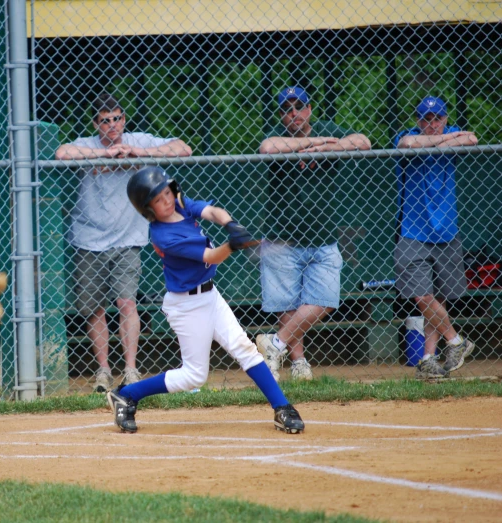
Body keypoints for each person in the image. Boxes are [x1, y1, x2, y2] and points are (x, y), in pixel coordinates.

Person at [106, 166, 304, 435]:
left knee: (244, 348)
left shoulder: (181, 204)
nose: (166, 201)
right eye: (158, 200)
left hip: (210, 296)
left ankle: (282, 407)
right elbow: (211, 257)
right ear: (148, 209)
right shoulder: (164, 235)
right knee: (194, 376)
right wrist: (233, 245)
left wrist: (230, 224)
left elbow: (211, 211)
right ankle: (127, 394)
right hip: (186, 305)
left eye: (167, 193)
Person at [55, 93, 192, 392]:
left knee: (126, 303)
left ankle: (130, 369)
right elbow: (62, 153)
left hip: (128, 239)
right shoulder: (87, 144)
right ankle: (103, 371)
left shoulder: (138, 140)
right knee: (94, 309)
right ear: (96, 124)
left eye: (117, 118)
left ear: (124, 119)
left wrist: (135, 153)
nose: (112, 126)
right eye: (105, 121)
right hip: (88, 239)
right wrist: (104, 156)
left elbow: (183, 148)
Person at [256, 86, 371, 382]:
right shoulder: (277, 135)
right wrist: (317, 142)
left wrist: (330, 146)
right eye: (287, 109)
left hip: (323, 236)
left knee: (325, 300)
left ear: (309, 109)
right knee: (287, 304)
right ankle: (298, 363)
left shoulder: (331, 130)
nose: (293, 113)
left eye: (299, 107)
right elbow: (267, 148)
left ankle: (275, 344)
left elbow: (364, 142)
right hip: (282, 237)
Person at [393, 96, 478, 379]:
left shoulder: (452, 132)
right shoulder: (407, 137)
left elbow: (472, 139)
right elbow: (408, 144)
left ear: (445, 119)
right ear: (417, 121)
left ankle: (428, 359)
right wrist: (443, 140)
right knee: (423, 295)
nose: (432, 124)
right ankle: (457, 341)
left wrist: (444, 139)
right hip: (412, 232)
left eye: (437, 118)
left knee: (438, 297)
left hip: (447, 232)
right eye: (425, 119)